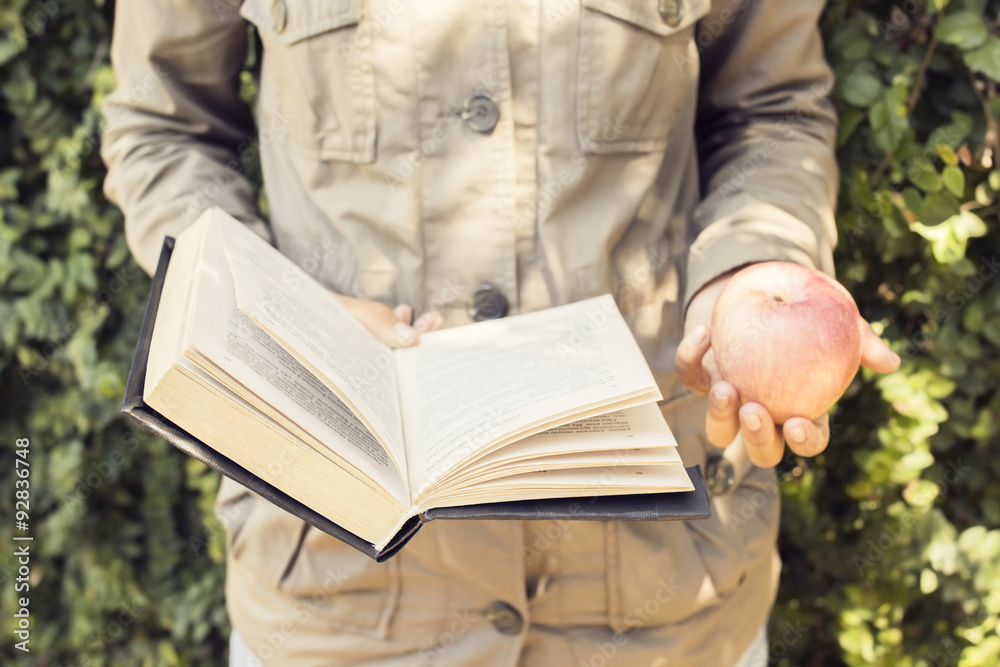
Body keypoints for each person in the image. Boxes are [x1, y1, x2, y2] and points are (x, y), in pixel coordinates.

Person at [101, 0, 901, 665]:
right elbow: (162, 125)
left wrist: (751, 262)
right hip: (340, 596)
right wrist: (278, 309)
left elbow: (770, 110)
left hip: (664, 602)